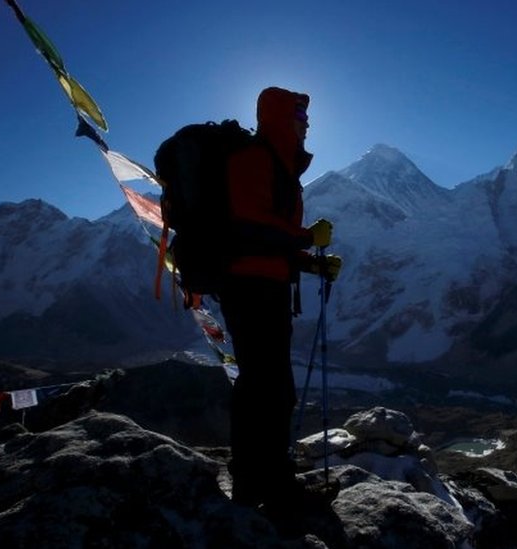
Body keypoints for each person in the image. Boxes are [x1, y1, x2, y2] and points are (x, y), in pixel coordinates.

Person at [218, 86, 341, 509]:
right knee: (265, 388)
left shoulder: (279, 167)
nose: (307, 125)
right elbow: (249, 227)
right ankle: (263, 483)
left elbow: (269, 241)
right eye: (300, 118)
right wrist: (307, 237)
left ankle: (263, 479)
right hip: (249, 289)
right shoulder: (253, 160)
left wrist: (312, 263)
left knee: (269, 387)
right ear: (280, 120)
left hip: (264, 287)